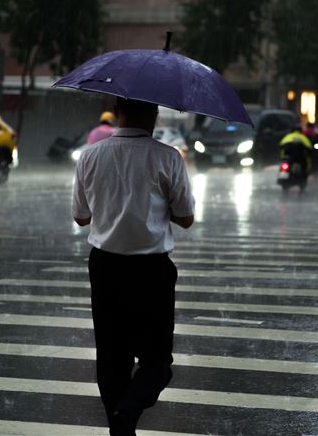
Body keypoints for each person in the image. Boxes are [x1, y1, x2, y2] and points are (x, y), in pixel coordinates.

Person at [72, 97, 195, 436]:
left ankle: (119, 425)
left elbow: (81, 217)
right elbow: (185, 218)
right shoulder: (167, 157)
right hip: (151, 271)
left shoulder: (90, 156)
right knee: (157, 364)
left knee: (113, 360)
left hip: (105, 267)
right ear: (154, 114)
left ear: (118, 111)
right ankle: (127, 414)